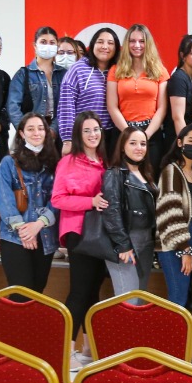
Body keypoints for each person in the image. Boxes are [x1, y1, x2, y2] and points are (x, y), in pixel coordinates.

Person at [53, 111, 111, 363]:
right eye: (86, 130)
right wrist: (90, 201)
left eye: (96, 129)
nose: (92, 134)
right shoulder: (68, 162)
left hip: (100, 233)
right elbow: (58, 199)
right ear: (78, 134)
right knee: (78, 291)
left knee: (92, 291)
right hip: (78, 232)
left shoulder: (105, 160)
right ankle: (66, 351)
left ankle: (88, 349)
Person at [0, 112, 60, 293]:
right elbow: (4, 198)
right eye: (30, 129)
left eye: (40, 128)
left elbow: (57, 199)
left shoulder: (55, 164)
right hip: (15, 237)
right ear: (22, 134)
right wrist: (24, 231)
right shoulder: (9, 162)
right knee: (20, 294)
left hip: (44, 236)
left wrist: (38, 225)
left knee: (37, 293)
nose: (36, 133)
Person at [101, 126, 158, 296]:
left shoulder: (146, 173)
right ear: (122, 146)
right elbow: (111, 211)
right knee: (127, 299)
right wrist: (123, 245)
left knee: (140, 296)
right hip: (125, 242)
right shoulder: (114, 173)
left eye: (143, 144)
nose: (139, 148)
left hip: (146, 242)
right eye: (133, 143)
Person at [156, 125, 192, 308]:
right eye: (191, 141)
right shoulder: (171, 171)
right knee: (178, 297)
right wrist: (185, 250)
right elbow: (170, 214)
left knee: (184, 296)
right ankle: (171, 329)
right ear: (180, 143)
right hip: (175, 240)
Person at [107, 23, 169, 167]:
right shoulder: (115, 70)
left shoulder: (160, 71)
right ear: (126, 44)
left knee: (150, 177)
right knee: (122, 177)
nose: (137, 45)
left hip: (151, 134)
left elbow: (162, 108)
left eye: (142, 41)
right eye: (132, 41)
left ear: (148, 44)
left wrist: (145, 136)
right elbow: (112, 106)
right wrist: (129, 135)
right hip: (123, 132)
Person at [58, 28, 120, 154]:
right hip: (83, 136)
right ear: (92, 45)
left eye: (110, 43)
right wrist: (67, 139)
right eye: (100, 42)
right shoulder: (78, 69)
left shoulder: (120, 70)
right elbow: (66, 106)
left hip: (111, 138)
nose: (105, 46)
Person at [8, 25, 66, 140]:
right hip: (30, 134)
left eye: (52, 43)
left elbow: (66, 106)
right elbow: (13, 106)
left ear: (57, 46)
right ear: (35, 45)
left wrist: (53, 130)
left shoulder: (64, 74)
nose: (48, 46)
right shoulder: (23, 74)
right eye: (43, 42)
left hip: (58, 133)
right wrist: (26, 131)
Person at [167, 35, 192, 138]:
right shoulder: (179, 78)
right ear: (183, 56)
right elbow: (178, 117)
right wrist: (185, 142)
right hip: (179, 138)